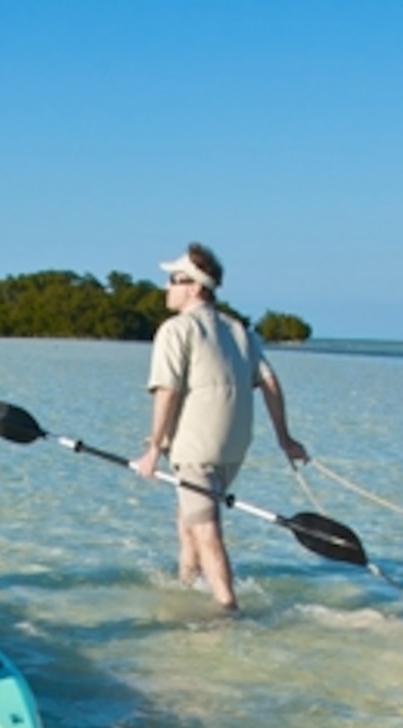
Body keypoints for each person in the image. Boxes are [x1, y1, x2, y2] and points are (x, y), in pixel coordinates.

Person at [130, 244, 306, 611]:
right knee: (188, 521)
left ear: (194, 287)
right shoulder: (238, 329)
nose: (166, 287)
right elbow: (270, 383)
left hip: (196, 451)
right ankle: (185, 587)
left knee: (206, 530)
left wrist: (152, 449)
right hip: (233, 450)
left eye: (174, 280)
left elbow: (167, 391)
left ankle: (227, 610)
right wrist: (285, 440)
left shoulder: (176, 329)